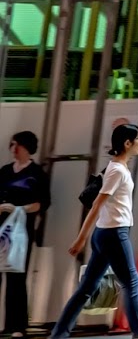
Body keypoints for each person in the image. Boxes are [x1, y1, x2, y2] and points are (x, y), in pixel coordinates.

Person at [46, 123, 138, 339]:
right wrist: (80, 239)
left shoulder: (116, 168)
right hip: (114, 234)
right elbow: (96, 205)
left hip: (105, 234)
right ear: (127, 143)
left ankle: (58, 335)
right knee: (131, 282)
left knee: (86, 289)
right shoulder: (117, 171)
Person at [0, 130, 48, 339]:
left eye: (15, 144)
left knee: (17, 278)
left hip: (20, 231)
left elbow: (42, 203)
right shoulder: (4, 171)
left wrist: (19, 208)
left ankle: (17, 325)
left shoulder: (37, 173)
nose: (12, 149)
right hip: (1, 227)